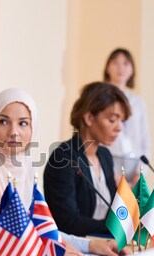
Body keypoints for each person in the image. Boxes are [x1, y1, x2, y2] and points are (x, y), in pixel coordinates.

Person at [0, 88, 130, 256]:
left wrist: (89, 245)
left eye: (23, 123)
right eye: (3, 121)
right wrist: (37, 252)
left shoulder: (26, 166)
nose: (14, 132)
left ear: (33, 128)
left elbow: (38, 229)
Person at [43, 82, 131, 237]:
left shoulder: (104, 155)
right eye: (112, 120)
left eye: (121, 121)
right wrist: (118, 225)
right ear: (89, 118)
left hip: (103, 243)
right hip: (76, 249)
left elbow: (113, 209)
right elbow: (68, 222)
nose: (119, 128)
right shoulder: (62, 157)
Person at [103, 48, 150, 185]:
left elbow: (145, 141)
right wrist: (112, 174)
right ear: (107, 67)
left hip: (134, 165)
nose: (121, 68)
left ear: (132, 69)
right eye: (116, 63)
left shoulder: (138, 103)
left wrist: (140, 173)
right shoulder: (100, 99)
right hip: (109, 161)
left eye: (125, 63)